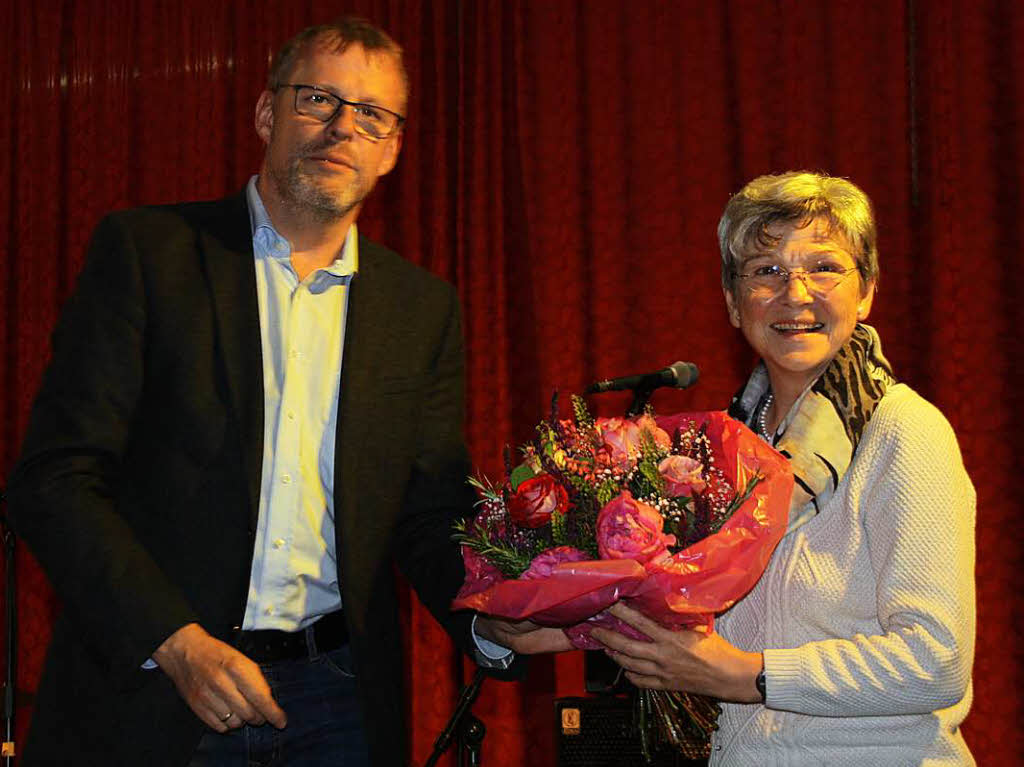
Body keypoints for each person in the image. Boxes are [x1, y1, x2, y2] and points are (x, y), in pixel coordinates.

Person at [6, 17, 563, 767]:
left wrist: (493, 617)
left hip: (339, 697)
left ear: (392, 148)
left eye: (371, 115)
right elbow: (55, 479)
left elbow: (426, 512)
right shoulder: (149, 256)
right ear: (268, 113)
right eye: (318, 100)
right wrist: (173, 640)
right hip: (159, 687)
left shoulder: (420, 307)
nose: (342, 128)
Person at [592, 171, 976, 765]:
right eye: (766, 271)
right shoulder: (722, 451)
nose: (796, 294)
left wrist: (751, 676)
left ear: (867, 290)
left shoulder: (904, 432)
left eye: (824, 267)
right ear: (731, 299)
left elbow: (935, 661)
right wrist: (566, 619)